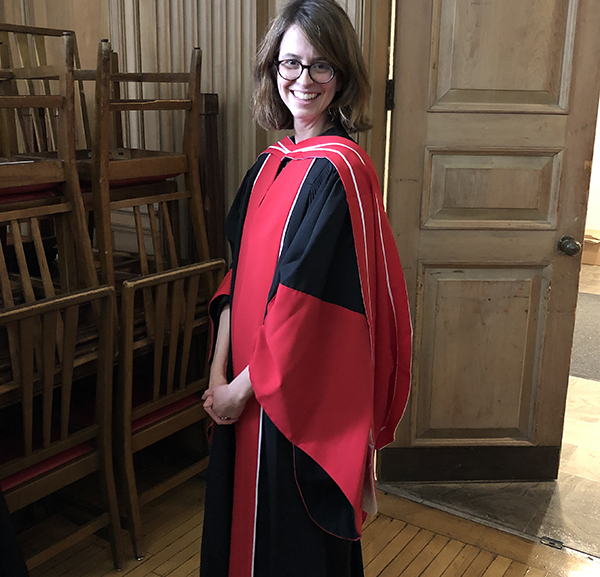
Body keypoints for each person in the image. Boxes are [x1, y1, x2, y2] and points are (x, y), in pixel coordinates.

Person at [200, 1, 411, 575]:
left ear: (342, 77)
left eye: (322, 66)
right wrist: (219, 374)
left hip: (288, 409)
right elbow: (236, 276)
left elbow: (307, 313)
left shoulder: (340, 173)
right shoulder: (268, 165)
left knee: (285, 549)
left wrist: (241, 392)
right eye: (290, 63)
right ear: (273, 69)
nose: (303, 80)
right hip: (240, 391)